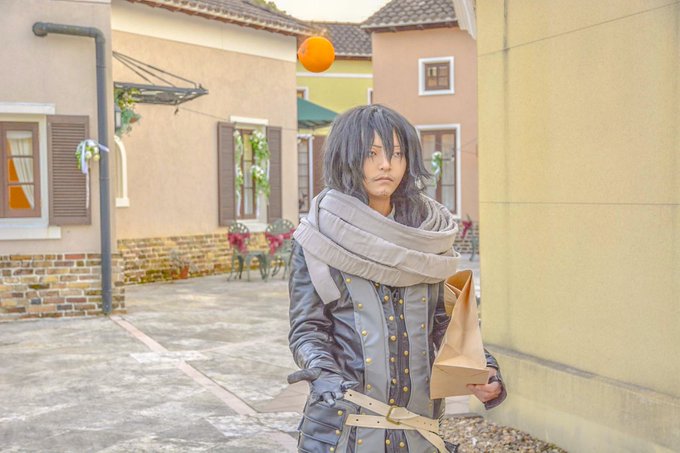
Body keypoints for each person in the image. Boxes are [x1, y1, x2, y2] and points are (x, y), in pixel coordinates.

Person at [288, 105, 506, 453]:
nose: (386, 165)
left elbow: (448, 324)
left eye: (396, 154)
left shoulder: (430, 238)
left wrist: (484, 370)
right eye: (371, 154)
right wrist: (322, 371)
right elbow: (307, 329)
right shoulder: (317, 238)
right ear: (346, 158)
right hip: (343, 431)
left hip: (419, 431)